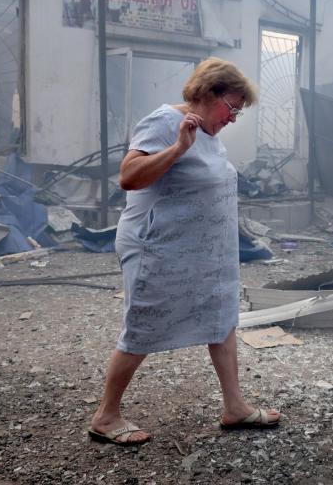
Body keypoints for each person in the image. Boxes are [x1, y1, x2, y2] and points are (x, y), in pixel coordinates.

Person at [89, 57, 280, 446]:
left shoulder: (208, 129)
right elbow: (128, 177)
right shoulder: (164, 122)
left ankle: (235, 407)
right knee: (145, 323)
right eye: (232, 107)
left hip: (203, 252)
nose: (234, 117)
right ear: (208, 93)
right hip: (158, 246)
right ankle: (106, 417)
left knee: (221, 317)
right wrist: (177, 148)